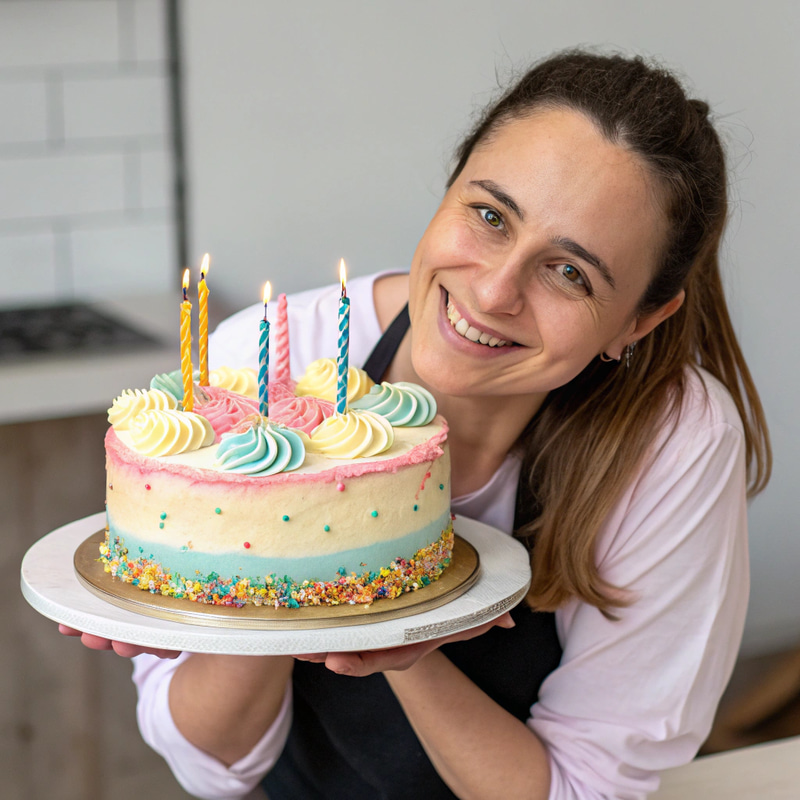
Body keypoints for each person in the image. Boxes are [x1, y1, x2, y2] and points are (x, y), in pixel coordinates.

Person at [61, 49, 771, 799]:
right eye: (490, 216)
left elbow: (585, 789)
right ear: (448, 190)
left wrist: (400, 635)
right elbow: (212, 769)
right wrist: (278, 572)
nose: (494, 293)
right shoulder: (262, 367)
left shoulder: (675, 444)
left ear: (639, 321)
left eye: (570, 273)